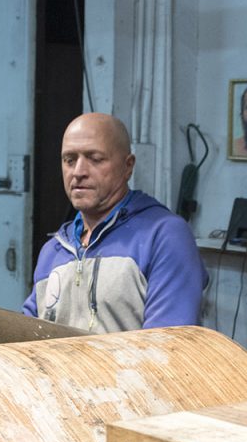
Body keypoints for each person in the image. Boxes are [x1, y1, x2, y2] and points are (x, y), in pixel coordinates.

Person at [23, 112, 205, 332]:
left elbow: (168, 345)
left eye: (95, 159)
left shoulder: (164, 236)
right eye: (69, 160)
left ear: (128, 166)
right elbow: (28, 336)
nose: (79, 172)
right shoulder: (53, 251)